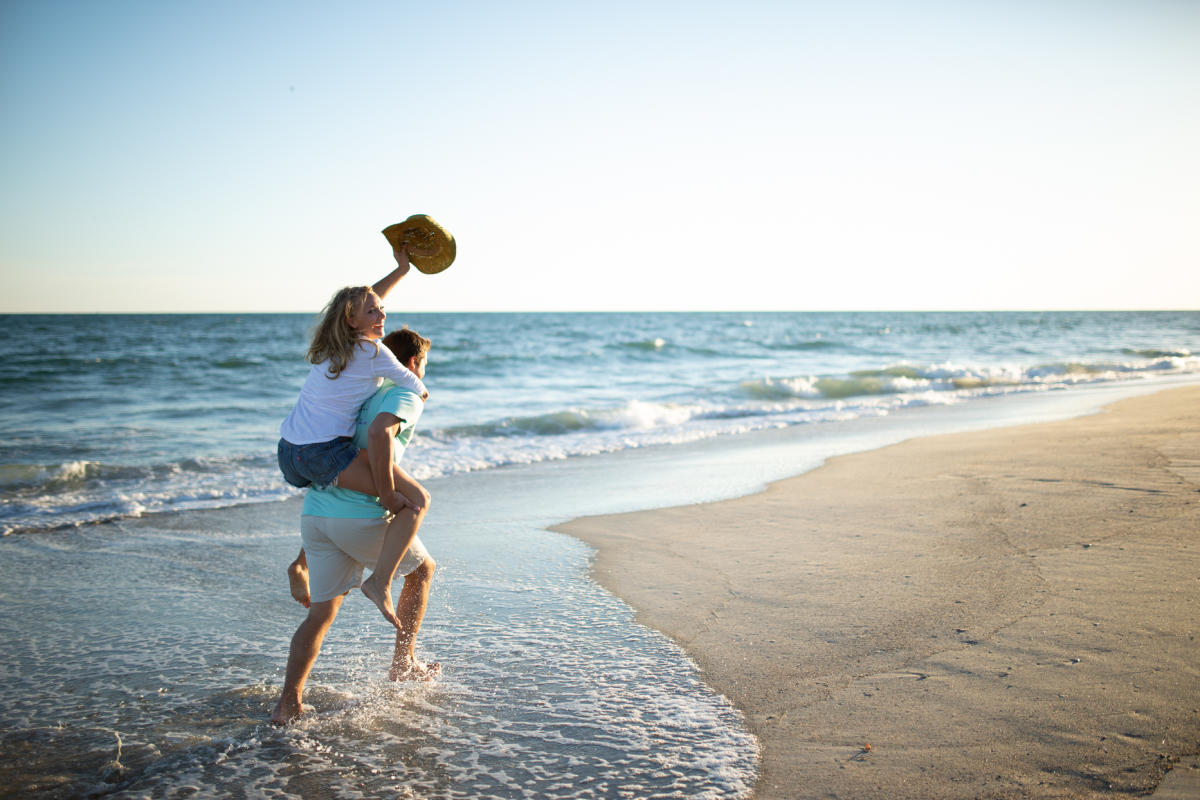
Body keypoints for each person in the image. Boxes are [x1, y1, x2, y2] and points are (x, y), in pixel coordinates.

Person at [271, 327, 438, 726]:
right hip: (358, 518)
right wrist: (385, 493)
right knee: (421, 571)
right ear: (412, 364)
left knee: (320, 614)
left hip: (316, 516)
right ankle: (404, 663)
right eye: (424, 365)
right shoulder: (405, 393)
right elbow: (380, 435)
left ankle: (287, 704)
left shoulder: (361, 390)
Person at [277, 239, 434, 627]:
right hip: (321, 452)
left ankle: (301, 565)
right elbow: (411, 383)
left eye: (382, 309)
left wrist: (400, 271)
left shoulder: (336, 346)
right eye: (374, 311)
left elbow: (364, 304)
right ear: (353, 320)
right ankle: (379, 582)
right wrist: (423, 394)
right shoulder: (375, 354)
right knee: (413, 500)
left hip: (289, 453)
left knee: (335, 478)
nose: (381, 313)